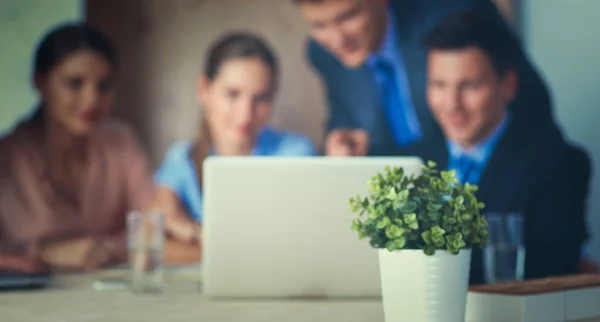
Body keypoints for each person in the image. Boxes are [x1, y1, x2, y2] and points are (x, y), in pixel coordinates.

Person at [416, 10, 589, 284]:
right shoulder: (413, 160)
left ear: (507, 85)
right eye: (439, 85)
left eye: (470, 85)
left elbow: (548, 273)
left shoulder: (559, 165)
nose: (451, 104)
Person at [293, 0, 561, 156]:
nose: (338, 39)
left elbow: (531, 105)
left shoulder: (456, 14)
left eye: (349, 16)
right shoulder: (323, 54)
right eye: (319, 25)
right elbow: (347, 122)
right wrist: (341, 146)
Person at [0, 24, 156, 272]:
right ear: (40, 82)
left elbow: (154, 229)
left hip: (115, 300)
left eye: (104, 86)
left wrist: (104, 249)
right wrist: (43, 253)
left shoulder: (122, 143)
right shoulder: (6, 157)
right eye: (74, 84)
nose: (91, 99)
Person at [153, 32, 316, 248]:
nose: (245, 115)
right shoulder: (181, 157)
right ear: (203, 90)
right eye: (232, 94)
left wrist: (195, 236)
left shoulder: (296, 154)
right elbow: (156, 223)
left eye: (261, 98)